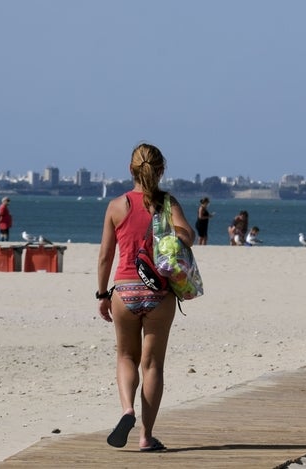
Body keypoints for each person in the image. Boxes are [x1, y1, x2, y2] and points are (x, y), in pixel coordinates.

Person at [96, 143, 195, 452]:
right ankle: (145, 437)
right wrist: (166, 233)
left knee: (126, 356)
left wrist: (102, 294)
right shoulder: (167, 203)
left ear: (130, 169)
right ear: (161, 169)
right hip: (159, 292)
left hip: (124, 291)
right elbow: (188, 236)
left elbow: (105, 256)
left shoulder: (117, 205)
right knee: (152, 365)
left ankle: (127, 410)